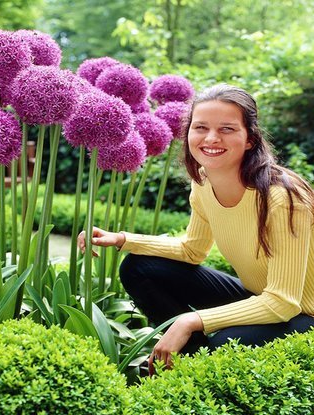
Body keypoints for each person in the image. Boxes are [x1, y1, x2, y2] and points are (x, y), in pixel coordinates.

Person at [78, 84, 314, 375]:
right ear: (188, 133)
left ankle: (194, 363)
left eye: (227, 129)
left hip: (302, 312)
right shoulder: (204, 181)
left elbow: (282, 301)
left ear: (250, 139)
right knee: (139, 267)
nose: (211, 138)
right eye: (201, 127)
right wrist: (122, 240)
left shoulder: (283, 198)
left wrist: (189, 321)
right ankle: (183, 365)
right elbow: (192, 250)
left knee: (226, 345)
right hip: (259, 298)